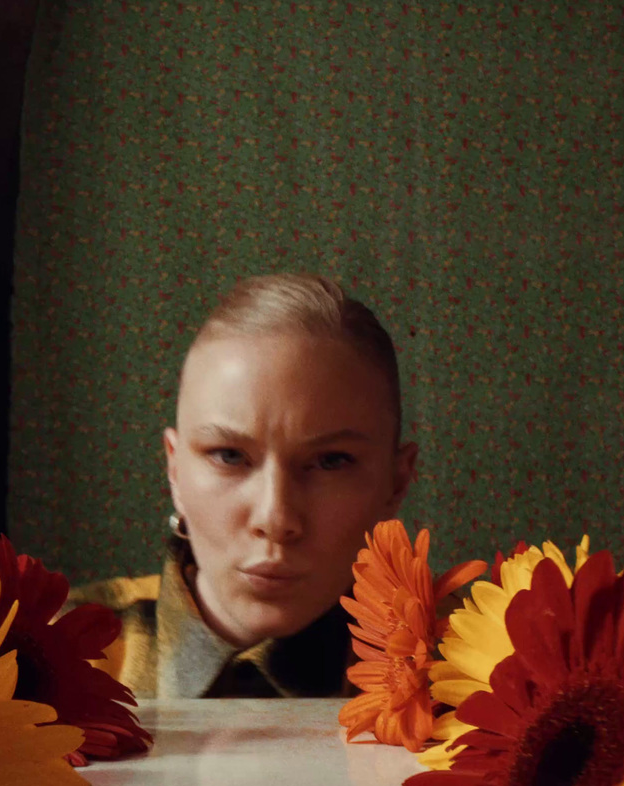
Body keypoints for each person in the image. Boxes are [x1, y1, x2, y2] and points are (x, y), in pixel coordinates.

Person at [69, 273, 418, 698]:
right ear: (175, 471)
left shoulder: (478, 675)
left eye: (330, 462)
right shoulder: (44, 655)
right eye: (229, 456)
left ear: (396, 481)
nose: (276, 519)